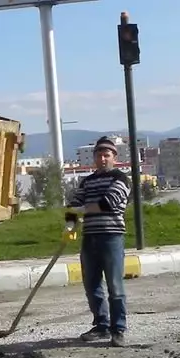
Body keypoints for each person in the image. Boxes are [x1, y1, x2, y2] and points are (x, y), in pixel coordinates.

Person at [67, 136, 132, 347]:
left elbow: (108, 203)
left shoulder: (121, 179)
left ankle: (118, 329)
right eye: (99, 155)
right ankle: (101, 325)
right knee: (91, 284)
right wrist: (69, 224)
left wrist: (83, 210)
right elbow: (73, 204)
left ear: (114, 157)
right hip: (90, 238)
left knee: (115, 286)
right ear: (94, 158)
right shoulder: (87, 181)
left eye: (107, 155)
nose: (102, 159)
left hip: (111, 237)